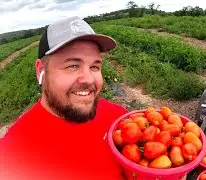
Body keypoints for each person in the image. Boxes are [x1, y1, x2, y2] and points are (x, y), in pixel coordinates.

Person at [0, 16, 129, 180]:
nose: (89, 79)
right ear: (41, 71)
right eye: (73, 66)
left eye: (94, 66)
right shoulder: (14, 155)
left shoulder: (118, 118)